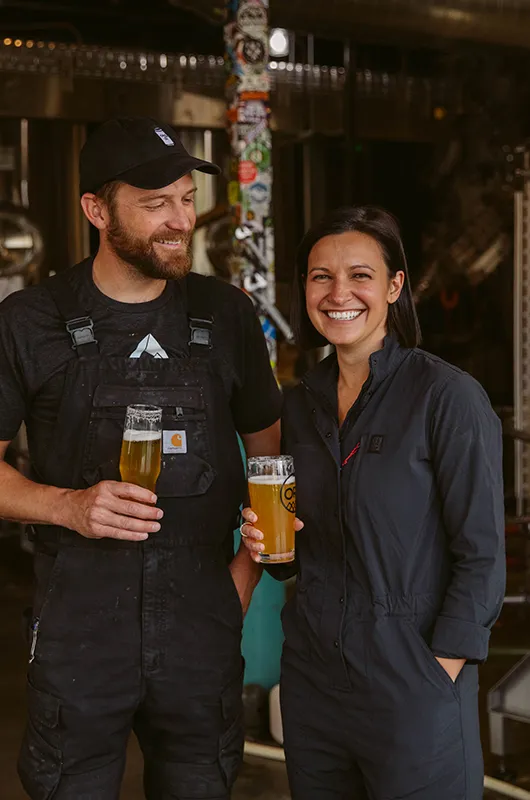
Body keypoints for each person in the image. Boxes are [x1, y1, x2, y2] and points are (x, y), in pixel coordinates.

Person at [0, 116, 282, 799]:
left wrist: (241, 578)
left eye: (186, 198)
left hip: (200, 627)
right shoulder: (29, 321)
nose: (179, 220)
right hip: (79, 631)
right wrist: (68, 505)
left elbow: (271, 466)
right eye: (155, 204)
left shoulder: (227, 316)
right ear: (96, 210)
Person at [240, 206, 505, 800]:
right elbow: (304, 558)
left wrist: (438, 672)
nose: (339, 294)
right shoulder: (299, 404)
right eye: (320, 277)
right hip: (314, 686)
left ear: (393, 286)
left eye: (360, 275)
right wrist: (272, 548)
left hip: (412, 683)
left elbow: (482, 555)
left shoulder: (447, 398)